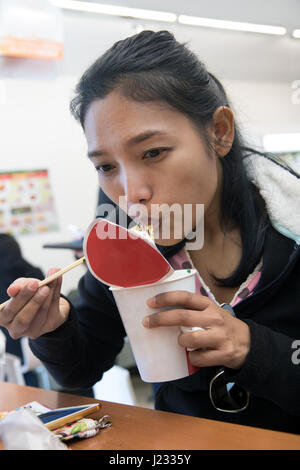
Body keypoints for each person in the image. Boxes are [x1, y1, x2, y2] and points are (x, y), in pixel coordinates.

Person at [1, 30, 300, 434]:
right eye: (106, 166)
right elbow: (82, 366)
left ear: (219, 131)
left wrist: (253, 348)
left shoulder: (291, 233)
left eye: (153, 152)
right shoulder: (126, 246)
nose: (132, 193)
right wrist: (52, 328)